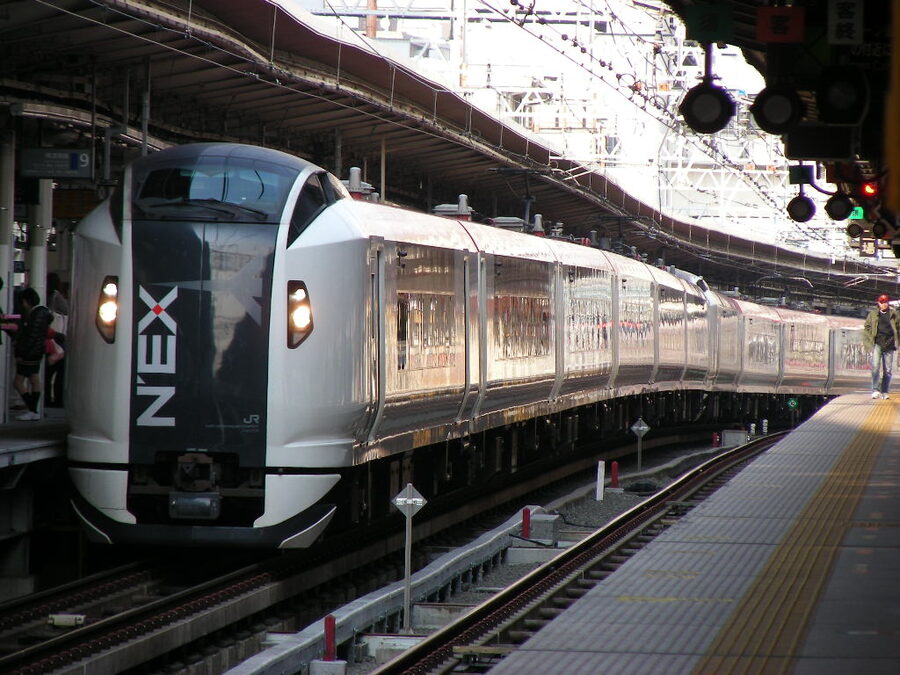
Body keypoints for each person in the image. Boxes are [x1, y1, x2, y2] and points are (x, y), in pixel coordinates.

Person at [13, 287, 52, 420]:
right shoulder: (43, 314)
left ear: (26, 301)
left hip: (28, 353)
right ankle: (34, 411)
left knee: (18, 382)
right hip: (37, 352)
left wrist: (20, 353)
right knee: (34, 379)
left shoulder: (34, 316)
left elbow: (29, 337)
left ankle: (32, 409)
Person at [862, 293, 900, 400]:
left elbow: (898, 327)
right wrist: (869, 342)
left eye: (886, 302)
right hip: (877, 344)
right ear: (878, 303)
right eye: (882, 302)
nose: (884, 304)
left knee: (887, 370)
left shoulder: (893, 315)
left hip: (890, 344)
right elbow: (867, 328)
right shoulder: (873, 315)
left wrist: (897, 342)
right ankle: (875, 390)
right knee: (875, 368)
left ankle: (885, 391)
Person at [45, 273, 68, 407]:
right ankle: (57, 399)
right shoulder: (58, 298)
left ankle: (47, 399)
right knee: (59, 373)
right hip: (59, 340)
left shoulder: (51, 298)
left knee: (47, 373)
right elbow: (66, 313)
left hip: (51, 341)